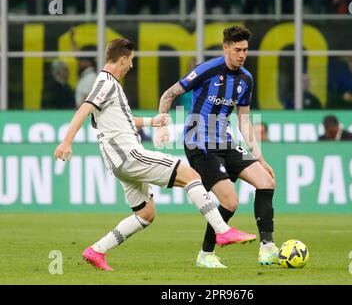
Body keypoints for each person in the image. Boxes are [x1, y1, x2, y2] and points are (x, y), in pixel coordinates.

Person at [54, 38, 256, 271]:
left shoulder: (110, 87)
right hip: (129, 155)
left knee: (146, 213)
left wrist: (153, 121)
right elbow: (85, 108)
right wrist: (67, 141)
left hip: (118, 161)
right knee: (190, 175)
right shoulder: (106, 82)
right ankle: (222, 231)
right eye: (131, 61)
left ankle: (97, 250)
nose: (131, 65)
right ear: (123, 59)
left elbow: (121, 121)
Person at [155, 26, 278, 268]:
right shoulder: (206, 70)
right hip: (200, 144)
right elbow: (169, 95)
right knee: (231, 202)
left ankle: (267, 248)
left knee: (266, 181)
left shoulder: (246, 79)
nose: (242, 55)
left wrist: (261, 159)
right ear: (226, 48)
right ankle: (206, 254)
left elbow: (244, 120)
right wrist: (162, 125)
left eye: (245, 50)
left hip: (225, 142)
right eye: (237, 49)